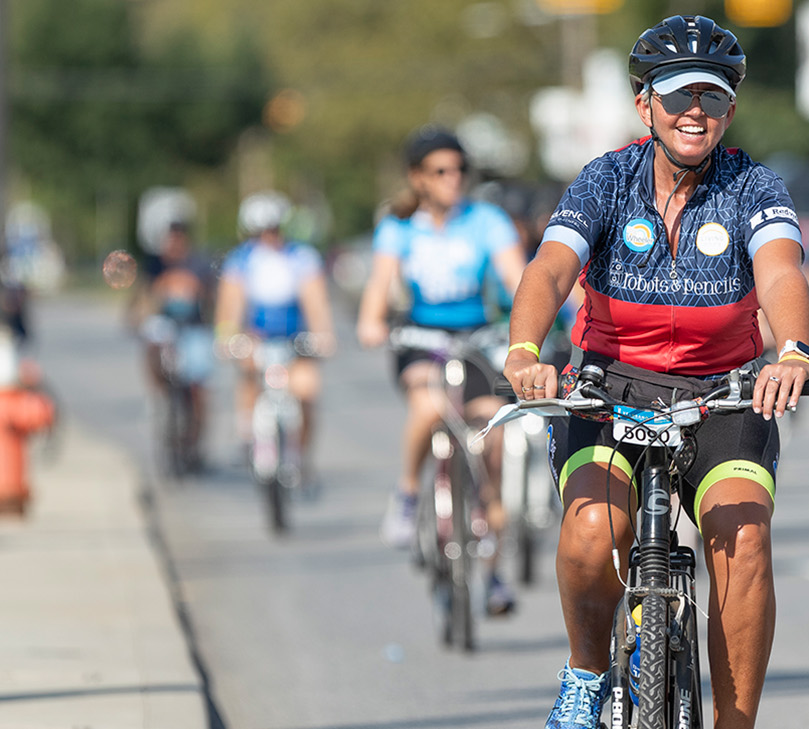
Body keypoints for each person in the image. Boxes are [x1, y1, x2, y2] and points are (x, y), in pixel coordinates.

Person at [501, 15, 809, 729]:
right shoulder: (606, 178)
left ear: (729, 109)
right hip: (610, 388)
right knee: (590, 528)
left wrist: (793, 349)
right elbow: (551, 268)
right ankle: (583, 675)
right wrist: (525, 350)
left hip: (722, 395)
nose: (693, 112)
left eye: (709, 96)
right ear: (646, 106)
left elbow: (781, 271)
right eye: (676, 97)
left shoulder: (753, 185)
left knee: (746, 539)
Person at [355, 126, 528, 613]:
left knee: (490, 437)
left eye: (459, 170)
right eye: (440, 171)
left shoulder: (486, 220)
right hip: (421, 337)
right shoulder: (399, 226)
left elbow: (519, 281)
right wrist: (371, 322)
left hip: (476, 336)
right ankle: (408, 495)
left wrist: (545, 319)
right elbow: (379, 284)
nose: (453, 179)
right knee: (429, 405)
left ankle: (493, 573)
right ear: (417, 178)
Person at [214, 191, 335, 482]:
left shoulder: (301, 258)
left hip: (294, 337)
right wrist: (227, 337)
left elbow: (315, 301)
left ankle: (299, 457)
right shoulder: (241, 260)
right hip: (257, 336)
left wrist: (324, 334)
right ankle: (247, 433)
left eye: (273, 229)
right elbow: (230, 305)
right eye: (261, 230)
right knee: (248, 371)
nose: (268, 236)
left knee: (306, 391)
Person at [133, 216, 217, 471]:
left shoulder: (199, 264)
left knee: (198, 385)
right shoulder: (155, 264)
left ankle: (195, 439)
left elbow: (211, 298)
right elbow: (143, 297)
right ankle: (158, 394)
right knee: (152, 347)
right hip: (165, 327)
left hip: (194, 328)